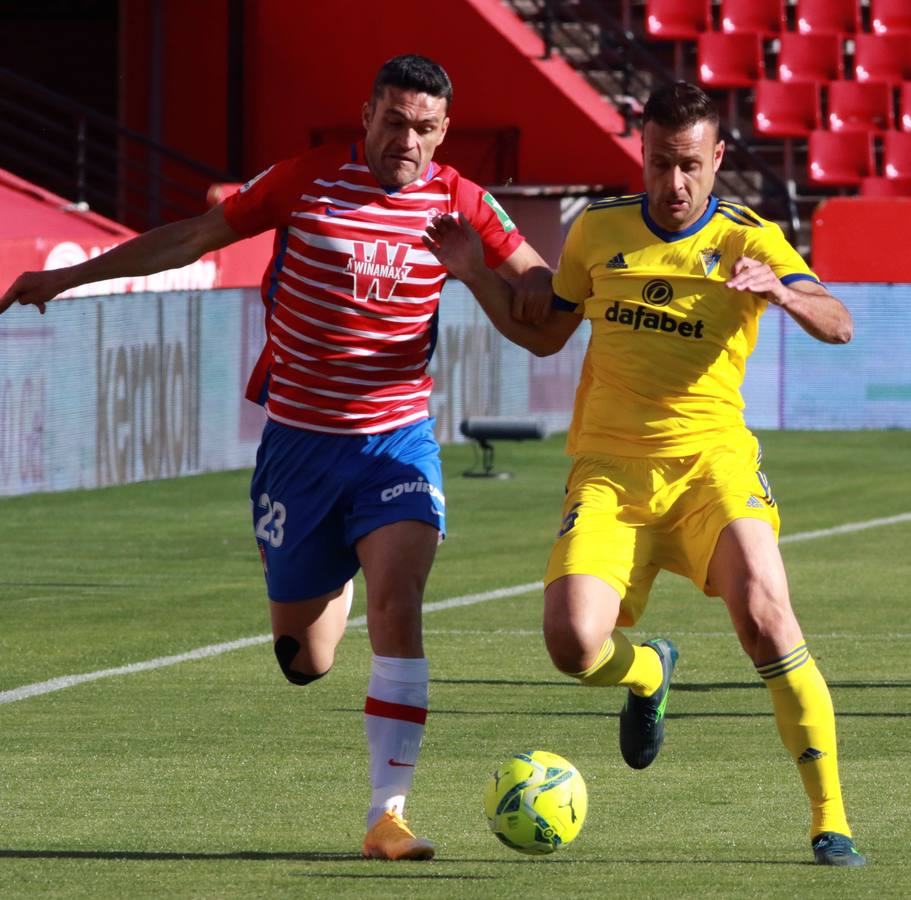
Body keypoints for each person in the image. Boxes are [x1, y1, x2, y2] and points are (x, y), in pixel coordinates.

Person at [0, 54, 550, 861]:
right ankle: (335, 580)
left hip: (394, 440)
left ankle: (386, 815)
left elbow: (533, 279)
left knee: (401, 603)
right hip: (298, 449)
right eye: (393, 121)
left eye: (424, 128)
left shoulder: (460, 201)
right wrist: (72, 276)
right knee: (304, 661)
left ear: (442, 133)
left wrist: (515, 280)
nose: (407, 141)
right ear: (366, 115)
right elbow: (191, 236)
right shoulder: (306, 181)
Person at [423, 81, 866, 867]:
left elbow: (839, 321)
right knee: (571, 645)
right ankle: (648, 670)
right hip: (609, 473)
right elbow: (546, 336)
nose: (673, 184)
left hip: (710, 468)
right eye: (660, 163)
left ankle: (829, 819)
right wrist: (472, 275)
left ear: (717, 158)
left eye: (690, 165)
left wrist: (783, 294)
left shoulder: (749, 239)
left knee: (766, 612)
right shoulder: (596, 230)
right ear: (642, 152)